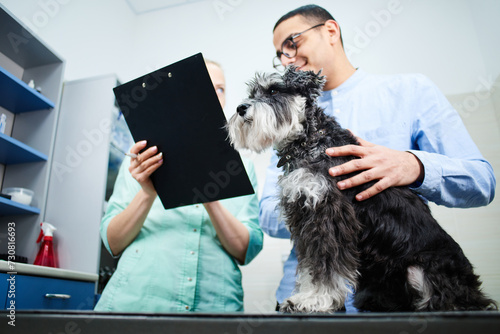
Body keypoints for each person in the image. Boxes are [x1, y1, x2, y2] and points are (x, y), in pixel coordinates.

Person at [260, 4, 496, 312]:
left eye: (292, 43)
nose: (287, 59)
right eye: (280, 54)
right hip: (306, 306)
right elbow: (266, 215)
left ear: (330, 31)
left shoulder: (410, 91)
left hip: (407, 294)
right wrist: (317, 199)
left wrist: (414, 166)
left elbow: (481, 183)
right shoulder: (285, 125)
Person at [95, 60, 263, 313]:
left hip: (214, 310)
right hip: (136, 306)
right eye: (205, 85)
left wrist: (210, 194)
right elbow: (113, 242)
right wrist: (148, 193)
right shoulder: (142, 160)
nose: (213, 94)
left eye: (220, 89)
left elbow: (244, 252)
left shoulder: (243, 168)